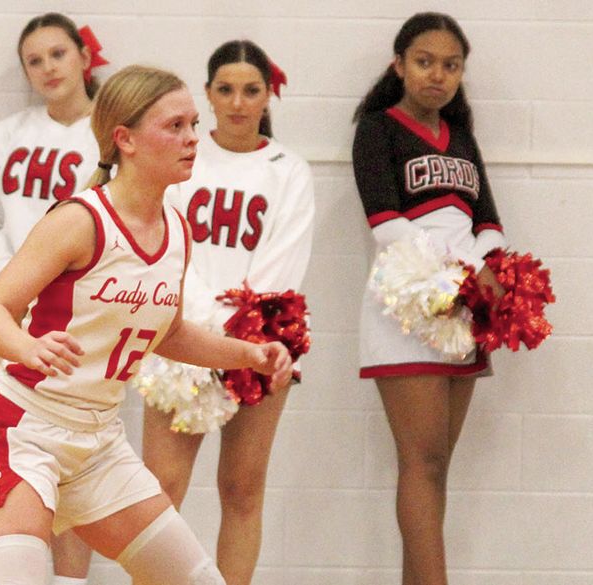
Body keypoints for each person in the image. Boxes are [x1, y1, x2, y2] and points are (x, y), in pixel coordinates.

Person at [0, 64, 293, 585]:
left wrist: (248, 354)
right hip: (23, 431)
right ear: (126, 140)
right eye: (174, 126)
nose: (191, 139)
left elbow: (172, 332)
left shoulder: (176, 230)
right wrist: (27, 347)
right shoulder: (79, 220)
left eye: (192, 125)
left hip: (99, 445)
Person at [139, 40, 315, 585]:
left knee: (242, 488)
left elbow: (282, 266)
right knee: (160, 490)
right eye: (225, 90)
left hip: (259, 341)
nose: (238, 103)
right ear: (208, 95)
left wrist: (235, 337)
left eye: (251, 90)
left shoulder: (289, 169)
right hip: (179, 337)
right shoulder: (181, 158)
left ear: (269, 95)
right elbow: (158, 244)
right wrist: (193, 328)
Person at [351, 12, 506, 585]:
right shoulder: (377, 129)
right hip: (407, 306)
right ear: (399, 65)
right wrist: (457, 276)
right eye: (424, 61)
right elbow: (385, 222)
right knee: (420, 462)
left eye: (450, 65)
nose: (437, 75)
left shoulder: (462, 137)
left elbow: (487, 218)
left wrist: (488, 268)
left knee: (437, 466)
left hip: (463, 312)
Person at [0, 13, 105, 584]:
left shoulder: (110, 139)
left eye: (58, 54)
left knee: (73, 475)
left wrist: (53, 297)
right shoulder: (4, 137)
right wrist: (18, 295)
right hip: (6, 321)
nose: (47, 68)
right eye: (34, 60)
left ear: (84, 57)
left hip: (78, 327)